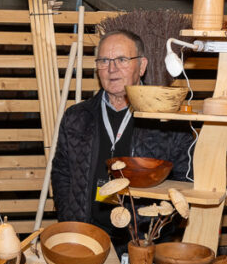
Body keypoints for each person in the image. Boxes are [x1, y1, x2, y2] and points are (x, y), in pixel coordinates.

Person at [51, 29, 194, 251]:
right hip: (87, 237)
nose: (112, 68)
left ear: (142, 66)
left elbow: (185, 180)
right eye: (104, 60)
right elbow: (61, 172)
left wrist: (159, 228)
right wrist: (70, 217)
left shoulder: (167, 120)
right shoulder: (77, 117)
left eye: (122, 59)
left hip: (143, 241)